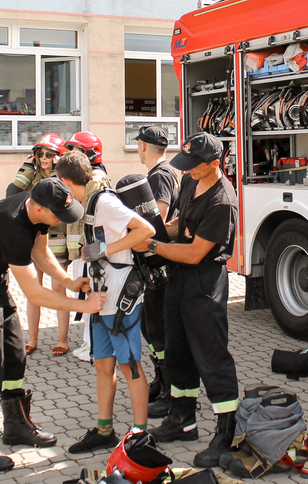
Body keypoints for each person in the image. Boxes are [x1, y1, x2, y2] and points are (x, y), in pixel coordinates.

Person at [0, 176, 106, 471]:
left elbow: (40, 252)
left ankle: (15, 426)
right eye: (57, 216)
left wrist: (69, 281)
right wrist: (82, 305)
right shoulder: (11, 225)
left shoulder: (37, 213)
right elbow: (34, 293)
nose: (61, 222)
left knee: (15, 353)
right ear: (38, 209)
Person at [134, 132, 239, 468]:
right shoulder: (191, 182)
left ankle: (227, 433)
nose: (188, 170)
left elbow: (196, 253)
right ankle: (182, 420)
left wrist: (152, 247)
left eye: (195, 165)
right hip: (178, 278)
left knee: (211, 356)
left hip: (204, 283)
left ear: (215, 163)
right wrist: (155, 233)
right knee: (177, 349)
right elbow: (180, 224)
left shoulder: (223, 201)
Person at [55, 151, 155, 453]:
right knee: (102, 364)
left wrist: (105, 250)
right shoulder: (87, 204)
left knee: (131, 366)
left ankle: (140, 434)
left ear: (65, 182)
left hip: (122, 297)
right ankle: (104, 429)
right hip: (99, 297)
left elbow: (145, 231)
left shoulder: (105, 202)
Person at [5, 134, 72, 357]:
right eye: (40, 153)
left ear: (57, 157)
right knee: (33, 290)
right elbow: (11, 194)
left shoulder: (61, 178)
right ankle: (32, 339)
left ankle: (62, 340)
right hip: (34, 240)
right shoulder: (31, 175)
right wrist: (26, 167)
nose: (44, 158)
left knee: (58, 289)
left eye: (49, 154)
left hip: (57, 239)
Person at [133, 125, 180, 418]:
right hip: (155, 267)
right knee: (150, 329)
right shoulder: (159, 175)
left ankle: (168, 391)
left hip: (161, 267)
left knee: (158, 331)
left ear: (142, 146)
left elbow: (157, 223)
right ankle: (161, 380)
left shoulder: (160, 177)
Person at [62, 131, 113, 362]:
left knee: (91, 295)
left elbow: (92, 217)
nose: (70, 154)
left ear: (90, 153)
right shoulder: (89, 176)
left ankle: (92, 346)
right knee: (85, 295)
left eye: (76, 150)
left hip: (89, 251)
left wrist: (89, 249)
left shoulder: (95, 179)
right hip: (84, 251)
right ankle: (88, 342)